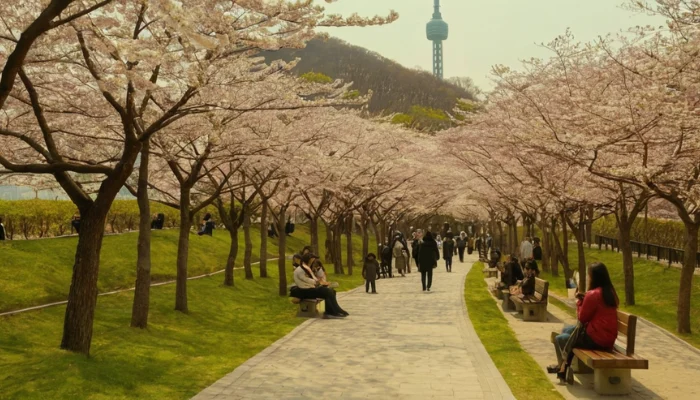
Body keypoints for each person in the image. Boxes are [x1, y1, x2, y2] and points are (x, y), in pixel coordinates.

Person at [547, 262, 619, 383]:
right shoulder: (610, 292)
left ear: (594, 278)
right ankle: (564, 365)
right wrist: (585, 298)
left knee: (561, 338)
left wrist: (579, 303)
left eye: (589, 275)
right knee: (567, 330)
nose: (587, 278)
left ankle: (563, 368)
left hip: (596, 338)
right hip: (608, 338)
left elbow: (582, 318)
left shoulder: (593, 294)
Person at [290, 253, 348, 319]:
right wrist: (319, 282)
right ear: (308, 260)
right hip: (304, 291)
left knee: (332, 291)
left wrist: (321, 282)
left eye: (313, 260)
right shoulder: (300, 270)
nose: (313, 261)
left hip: (309, 288)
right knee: (326, 291)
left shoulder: (306, 268)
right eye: (312, 260)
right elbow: (307, 280)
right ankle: (331, 312)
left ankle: (335, 310)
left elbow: (313, 278)